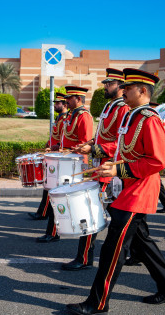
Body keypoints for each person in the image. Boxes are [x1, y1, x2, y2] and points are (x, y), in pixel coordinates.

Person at [66, 69, 165, 315]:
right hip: (128, 188)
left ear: (142, 91)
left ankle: (98, 303)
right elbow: (124, 149)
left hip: (138, 192)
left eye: (128, 88)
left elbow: (158, 161)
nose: (123, 90)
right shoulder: (133, 116)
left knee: (113, 249)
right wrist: (107, 162)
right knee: (142, 243)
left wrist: (120, 168)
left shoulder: (149, 119)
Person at [65, 68, 127, 270]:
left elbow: (121, 143)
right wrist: (91, 143)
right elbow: (104, 135)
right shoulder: (111, 107)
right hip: (100, 167)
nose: (105, 87)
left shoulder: (122, 109)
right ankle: (137, 252)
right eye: (105, 83)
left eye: (109, 84)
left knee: (91, 212)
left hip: (109, 171)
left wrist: (94, 148)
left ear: (120, 85)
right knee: (124, 219)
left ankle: (84, 258)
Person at [38, 85, 92, 243]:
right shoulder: (70, 115)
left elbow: (85, 143)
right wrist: (56, 148)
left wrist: (67, 152)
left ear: (79, 99)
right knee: (58, 197)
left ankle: (58, 232)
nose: (66, 100)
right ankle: (55, 231)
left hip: (74, 163)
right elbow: (65, 137)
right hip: (66, 160)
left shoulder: (83, 116)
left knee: (64, 198)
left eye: (70, 98)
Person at [28, 92, 69, 221]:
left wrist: (55, 147)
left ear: (64, 104)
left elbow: (63, 139)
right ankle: (43, 212)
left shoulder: (64, 119)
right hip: (52, 154)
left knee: (50, 186)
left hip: (58, 156)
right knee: (47, 185)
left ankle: (44, 213)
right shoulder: (59, 118)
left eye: (58, 103)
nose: (55, 106)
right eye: (55, 103)